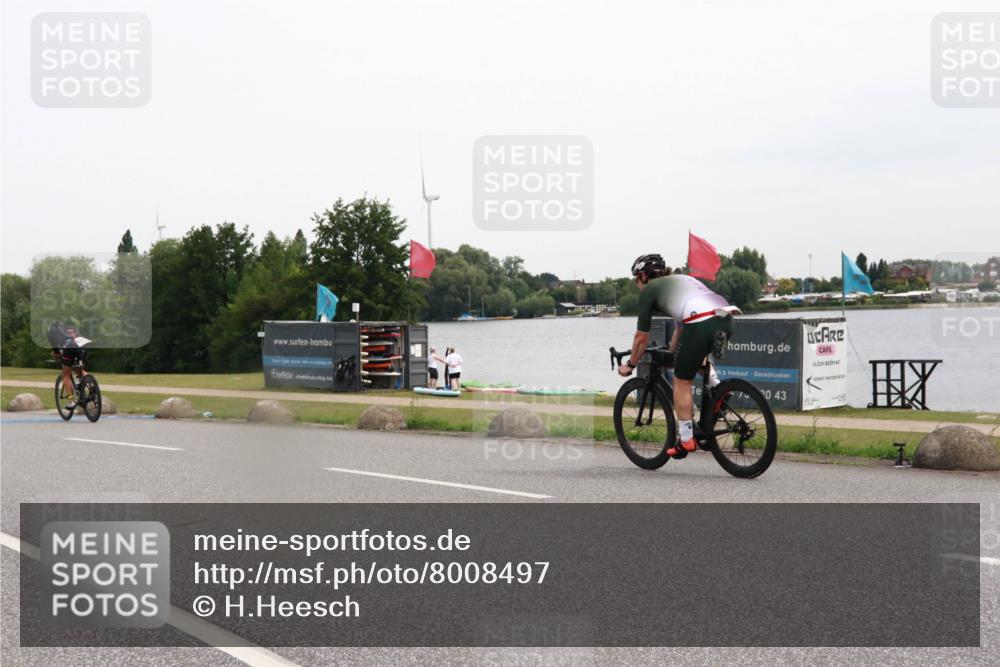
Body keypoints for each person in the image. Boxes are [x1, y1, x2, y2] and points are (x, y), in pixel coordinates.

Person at [617, 254, 740, 458]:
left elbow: (641, 337)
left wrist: (630, 364)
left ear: (642, 276)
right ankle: (719, 390)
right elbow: (680, 329)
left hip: (700, 322)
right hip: (725, 319)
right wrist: (673, 352)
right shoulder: (682, 279)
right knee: (694, 358)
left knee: (681, 382)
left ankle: (686, 440)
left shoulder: (649, 290)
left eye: (636, 279)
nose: (637, 284)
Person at [47, 320, 87, 409]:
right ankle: (91, 387)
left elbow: (56, 351)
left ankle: (72, 401)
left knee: (65, 374)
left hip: (69, 347)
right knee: (79, 369)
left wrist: (56, 355)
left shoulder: (51, 332)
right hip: (83, 346)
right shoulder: (70, 328)